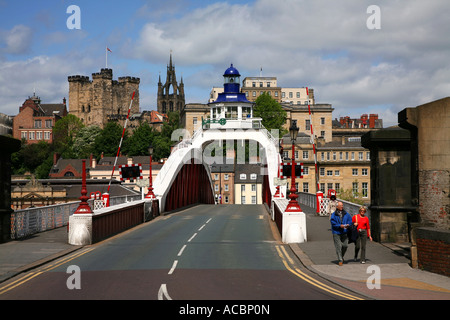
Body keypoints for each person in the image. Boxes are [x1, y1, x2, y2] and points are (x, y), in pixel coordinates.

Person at [330, 201, 353, 266]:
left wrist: (348, 224)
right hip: (336, 232)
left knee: (345, 245)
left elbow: (350, 221)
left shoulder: (346, 214)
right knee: (338, 246)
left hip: (344, 232)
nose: (342, 207)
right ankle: (340, 259)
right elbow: (333, 223)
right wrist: (340, 226)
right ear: (337, 207)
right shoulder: (334, 215)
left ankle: (341, 256)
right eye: (340, 206)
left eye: (342, 205)